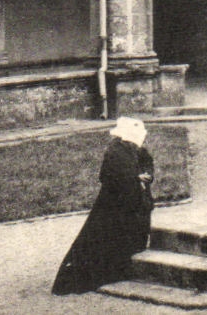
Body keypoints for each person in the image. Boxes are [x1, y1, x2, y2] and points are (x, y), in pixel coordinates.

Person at [52, 117, 154, 295]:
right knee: (107, 237)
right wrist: (135, 178)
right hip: (115, 203)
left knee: (132, 235)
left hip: (136, 202)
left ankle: (127, 266)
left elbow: (147, 164)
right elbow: (109, 177)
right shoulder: (115, 152)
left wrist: (147, 175)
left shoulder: (138, 150)